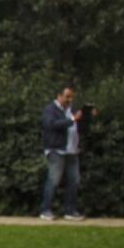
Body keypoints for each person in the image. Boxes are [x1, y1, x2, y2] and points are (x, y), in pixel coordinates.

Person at [39, 85, 84, 220]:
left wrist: (86, 117)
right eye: (67, 97)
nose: (69, 99)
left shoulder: (71, 109)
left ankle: (70, 210)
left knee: (74, 180)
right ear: (59, 96)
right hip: (56, 149)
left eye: (71, 97)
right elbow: (51, 124)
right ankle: (46, 209)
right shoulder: (50, 109)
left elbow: (79, 125)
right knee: (54, 180)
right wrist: (72, 120)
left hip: (72, 149)